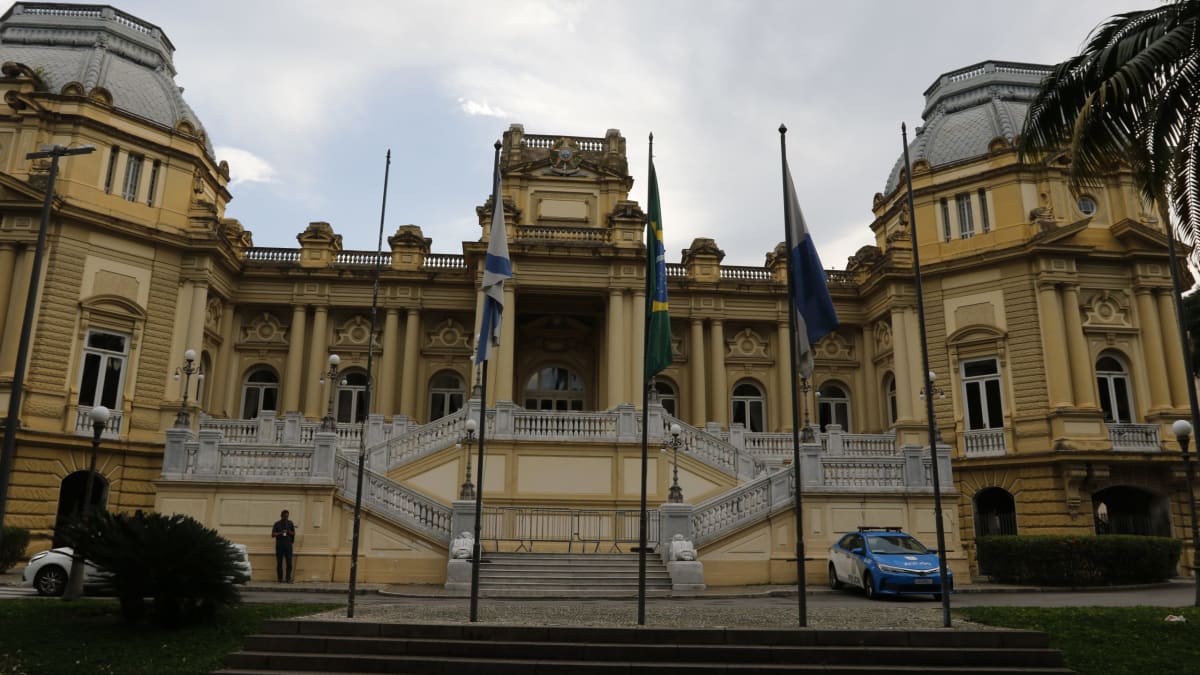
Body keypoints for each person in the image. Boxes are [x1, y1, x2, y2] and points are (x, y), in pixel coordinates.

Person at [271, 509, 297, 582]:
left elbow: (294, 534)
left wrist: (288, 531)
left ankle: (288, 578)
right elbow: (273, 534)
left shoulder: (290, 523)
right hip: (279, 546)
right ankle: (280, 578)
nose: (286, 518)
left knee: (289, 563)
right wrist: (281, 532)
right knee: (279, 563)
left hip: (288, 546)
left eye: (287, 516)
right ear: (281, 516)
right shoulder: (277, 524)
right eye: (285, 516)